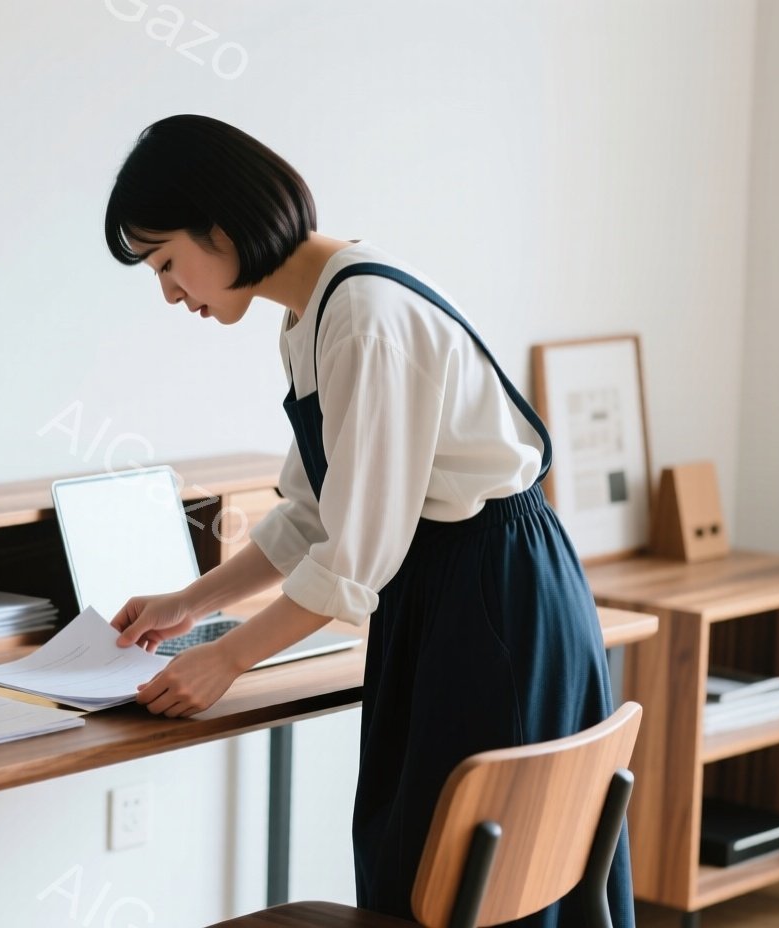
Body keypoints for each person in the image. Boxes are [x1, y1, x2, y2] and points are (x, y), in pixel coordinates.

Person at [100, 114, 633, 927]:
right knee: (436, 866)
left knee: (473, 882)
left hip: (490, 597)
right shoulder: (311, 315)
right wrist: (192, 603)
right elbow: (310, 516)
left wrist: (227, 662)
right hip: (454, 589)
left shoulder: (362, 316)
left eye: (168, 262)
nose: (170, 293)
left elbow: (350, 562)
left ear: (220, 226)